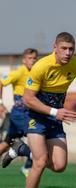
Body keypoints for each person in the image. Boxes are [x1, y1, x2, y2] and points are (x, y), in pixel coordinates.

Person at [22, 32, 76, 188]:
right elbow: (28, 99)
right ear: (55, 48)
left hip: (55, 120)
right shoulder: (41, 66)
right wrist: (54, 111)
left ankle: (25, 150)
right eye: (64, 48)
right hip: (36, 117)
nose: (67, 53)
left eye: (71, 49)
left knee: (60, 166)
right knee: (40, 162)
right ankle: (34, 155)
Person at [0, 48, 38, 177]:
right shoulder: (19, 72)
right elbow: (1, 82)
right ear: (24, 60)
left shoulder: (36, 72)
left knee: (6, 143)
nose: (32, 61)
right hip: (20, 113)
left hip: (27, 113)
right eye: (30, 58)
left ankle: (26, 164)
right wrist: (0, 103)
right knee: (37, 136)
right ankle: (27, 167)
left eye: (34, 58)